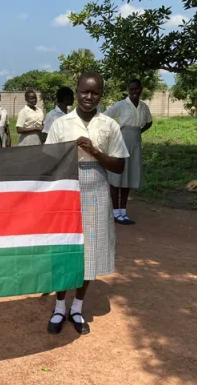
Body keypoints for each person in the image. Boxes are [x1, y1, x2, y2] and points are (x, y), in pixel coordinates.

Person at [45, 72, 129, 335]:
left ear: (101, 95)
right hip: (68, 187)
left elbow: (119, 164)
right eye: (84, 92)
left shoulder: (109, 125)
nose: (89, 97)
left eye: (95, 93)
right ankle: (59, 307)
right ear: (77, 91)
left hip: (96, 188)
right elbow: (48, 158)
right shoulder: (61, 123)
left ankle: (77, 307)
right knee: (64, 249)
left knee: (91, 250)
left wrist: (94, 151)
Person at [104, 79, 153, 225]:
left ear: (141, 89)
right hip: (121, 141)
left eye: (137, 89)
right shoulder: (121, 105)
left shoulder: (144, 106)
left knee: (128, 177)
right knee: (117, 177)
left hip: (135, 143)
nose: (134, 92)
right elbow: (105, 117)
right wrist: (116, 133)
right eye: (131, 89)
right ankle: (115, 212)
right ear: (128, 89)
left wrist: (138, 132)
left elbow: (149, 122)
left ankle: (123, 212)